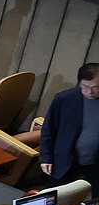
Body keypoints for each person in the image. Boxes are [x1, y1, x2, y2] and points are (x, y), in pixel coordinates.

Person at [40, 62, 99, 195]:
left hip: (95, 163)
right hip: (65, 159)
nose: (89, 92)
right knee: (56, 197)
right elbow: (49, 129)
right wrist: (46, 157)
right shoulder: (65, 99)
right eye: (85, 86)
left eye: (95, 87)